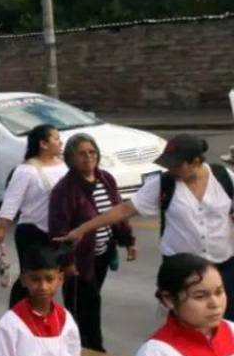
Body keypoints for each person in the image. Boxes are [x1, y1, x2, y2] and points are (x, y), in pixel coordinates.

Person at [60, 134, 234, 319]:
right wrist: (82, 229)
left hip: (223, 262)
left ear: (196, 162)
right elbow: (125, 209)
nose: (170, 169)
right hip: (181, 268)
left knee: (226, 317)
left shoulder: (225, 178)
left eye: (176, 165)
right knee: (188, 319)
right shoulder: (163, 184)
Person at [48, 134, 136, 353]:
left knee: (91, 300)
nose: (88, 158)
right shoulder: (64, 190)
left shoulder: (105, 178)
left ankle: (89, 345)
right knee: (83, 305)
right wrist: (67, 262)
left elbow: (117, 211)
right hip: (78, 260)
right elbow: (59, 230)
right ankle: (90, 348)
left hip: (102, 254)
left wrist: (128, 240)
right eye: (81, 154)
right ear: (71, 158)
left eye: (92, 152)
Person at [0, 125, 68, 305]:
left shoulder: (63, 165)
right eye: (56, 139)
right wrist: (1, 229)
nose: (60, 142)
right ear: (43, 144)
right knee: (31, 279)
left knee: (51, 279)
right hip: (33, 232)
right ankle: (16, 316)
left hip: (58, 233)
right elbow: (11, 201)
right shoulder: (27, 170)